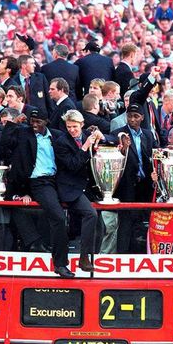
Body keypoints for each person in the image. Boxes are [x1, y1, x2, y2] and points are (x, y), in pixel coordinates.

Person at [1, 108, 74, 278]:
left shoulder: (56, 135)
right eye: (32, 121)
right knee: (58, 217)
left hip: (59, 181)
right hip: (39, 182)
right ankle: (60, 264)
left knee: (86, 211)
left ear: (46, 122)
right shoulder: (23, 133)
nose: (34, 125)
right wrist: (13, 123)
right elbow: (4, 144)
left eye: (38, 122)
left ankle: (85, 253)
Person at [54, 110, 103, 271]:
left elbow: (108, 138)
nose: (72, 130)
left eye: (75, 126)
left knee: (100, 222)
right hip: (70, 187)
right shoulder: (62, 142)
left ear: (82, 125)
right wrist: (85, 146)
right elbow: (73, 165)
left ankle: (94, 254)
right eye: (69, 127)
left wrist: (101, 137)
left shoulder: (88, 134)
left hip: (87, 186)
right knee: (90, 214)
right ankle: (84, 258)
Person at [111, 102, 154, 253]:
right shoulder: (119, 133)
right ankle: (122, 255)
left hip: (145, 184)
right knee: (126, 221)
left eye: (136, 116)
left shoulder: (148, 134)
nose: (132, 119)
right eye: (130, 116)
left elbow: (153, 155)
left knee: (143, 221)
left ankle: (141, 253)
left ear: (142, 117)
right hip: (127, 184)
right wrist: (122, 150)